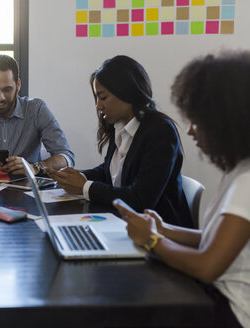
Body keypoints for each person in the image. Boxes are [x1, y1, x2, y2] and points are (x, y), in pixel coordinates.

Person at [113, 52, 250, 328]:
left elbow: (207, 266)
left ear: (226, 123)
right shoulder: (237, 171)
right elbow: (212, 240)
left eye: (197, 122)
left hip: (231, 311)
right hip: (215, 296)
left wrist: (153, 240)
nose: (190, 131)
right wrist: (163, 228)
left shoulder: (246, 181)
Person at [46, 55, 192, 228]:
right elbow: (111, 171)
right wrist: (74, 176)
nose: (98, 106)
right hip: (124, 224)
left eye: (103, 97)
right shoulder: (121, 125)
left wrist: (85, 187)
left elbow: (140, 199)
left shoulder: (160, 131)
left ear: (126, 91)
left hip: (159, 233)